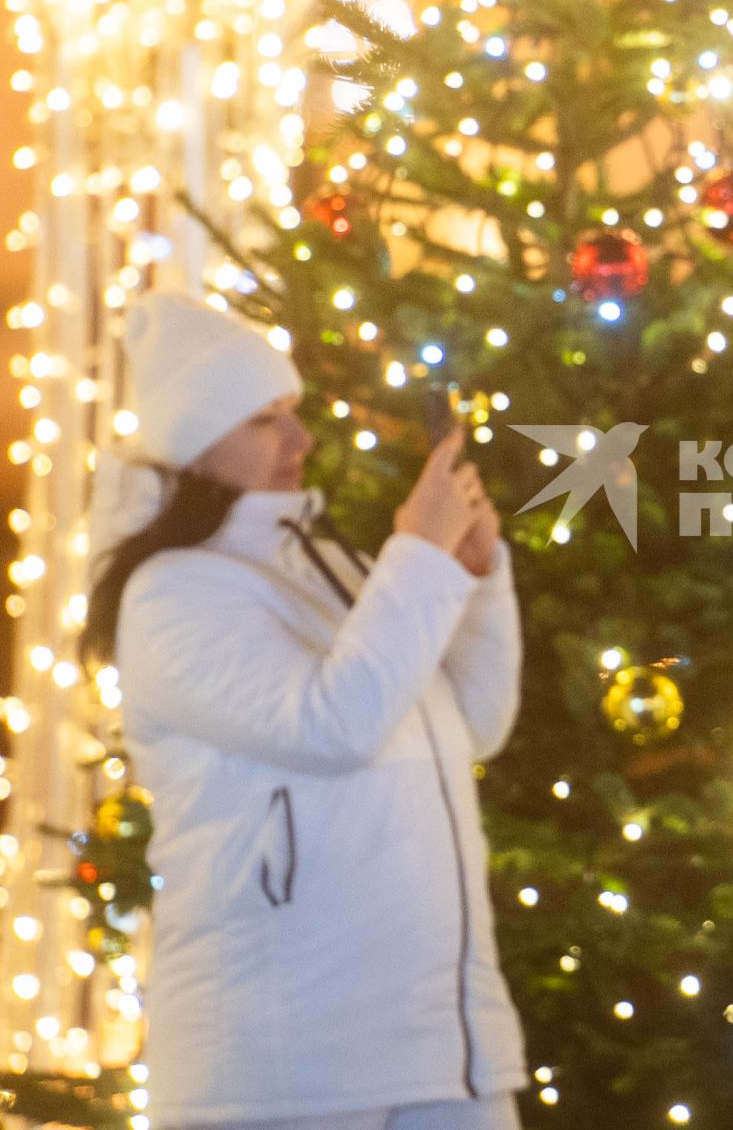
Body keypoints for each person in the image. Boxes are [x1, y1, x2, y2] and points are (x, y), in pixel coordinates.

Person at [80, 291, 528, 1130]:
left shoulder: (339, 569)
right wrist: (419, 556)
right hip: (289, 1067)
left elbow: (470, 726)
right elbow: (334, 727)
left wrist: (473, 577)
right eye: (265, 421)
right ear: (193, 442)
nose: (301, 441)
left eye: (295, 413)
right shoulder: (173, 594)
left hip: (442, 1045)